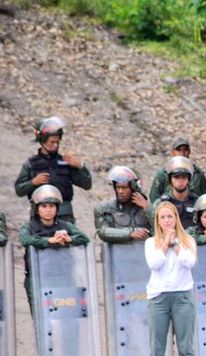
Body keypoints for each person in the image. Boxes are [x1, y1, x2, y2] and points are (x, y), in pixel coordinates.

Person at [145, 201, 198, 356]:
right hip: (159, 296)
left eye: (170, 216)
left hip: (182, 295)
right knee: (157, 346)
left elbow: (189, 262)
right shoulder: (151, 242)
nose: (167, 221)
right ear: (157, 221)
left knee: (185, 345)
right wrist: (165, 244)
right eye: (163, 217)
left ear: (176, 218)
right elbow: (154, 264)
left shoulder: (188, 240)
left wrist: (175, 244)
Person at [19, 185, 89, 313]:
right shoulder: (29, 227)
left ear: (57, 208)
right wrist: (48, 241)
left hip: (63, 277)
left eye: (51, 206)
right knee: (41, 318)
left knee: (67, 316)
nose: (48, 210)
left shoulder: (66, 225)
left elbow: (84, 239)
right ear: (37, 208)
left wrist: (69, 239)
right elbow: (24, 239)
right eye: (44, 206)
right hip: (37, 278)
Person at [14, 117, 92, 223]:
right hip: (39, 217)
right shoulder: (31, 164)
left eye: (57, 142)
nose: (55, 145)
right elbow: (19, 190)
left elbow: (87, 185)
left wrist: (80, 166)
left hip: (64, 215)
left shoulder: (66, 162)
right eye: (52, 142)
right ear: (42, 141)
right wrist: (33, 183)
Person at [94, 166, 151, 243]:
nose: (120, 191)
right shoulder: (106, 208)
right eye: (118, 187)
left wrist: (147, 208)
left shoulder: (149, 207)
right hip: (116, 253)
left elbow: (162, 229)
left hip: (143, 253)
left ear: (134, 188)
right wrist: (130, 234)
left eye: (124, 188)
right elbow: (102, 231)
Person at [149, 137, 206, 203]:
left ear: (189, 152)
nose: (182, 153)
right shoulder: (163, 172)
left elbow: (204, 198)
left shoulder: (198, 173)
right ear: (172, 153)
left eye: (185, 150)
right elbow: (154, 198)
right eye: (178, 150)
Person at [150, 156, 199, 230]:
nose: (180, 181)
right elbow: (154, 229)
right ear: (170, 179)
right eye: (176, 177)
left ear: (188, 180)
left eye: (184, 177)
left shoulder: (197, 201)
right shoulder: (161, 203)